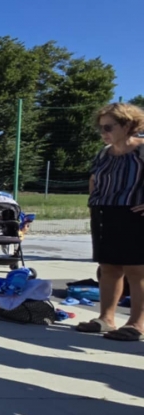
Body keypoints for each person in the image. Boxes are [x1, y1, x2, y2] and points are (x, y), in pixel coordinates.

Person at [76, 103, 144, 341]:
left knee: (137, 270)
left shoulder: (142, 150)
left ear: (127, 125)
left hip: (134, 214)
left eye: (108, 127)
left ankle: (137, 324)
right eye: (100, 127)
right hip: (105, 213)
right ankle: (106, 319)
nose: (103, 132)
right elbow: (94, 179)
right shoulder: (104, 153)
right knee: (108, 268)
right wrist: (94, 204)